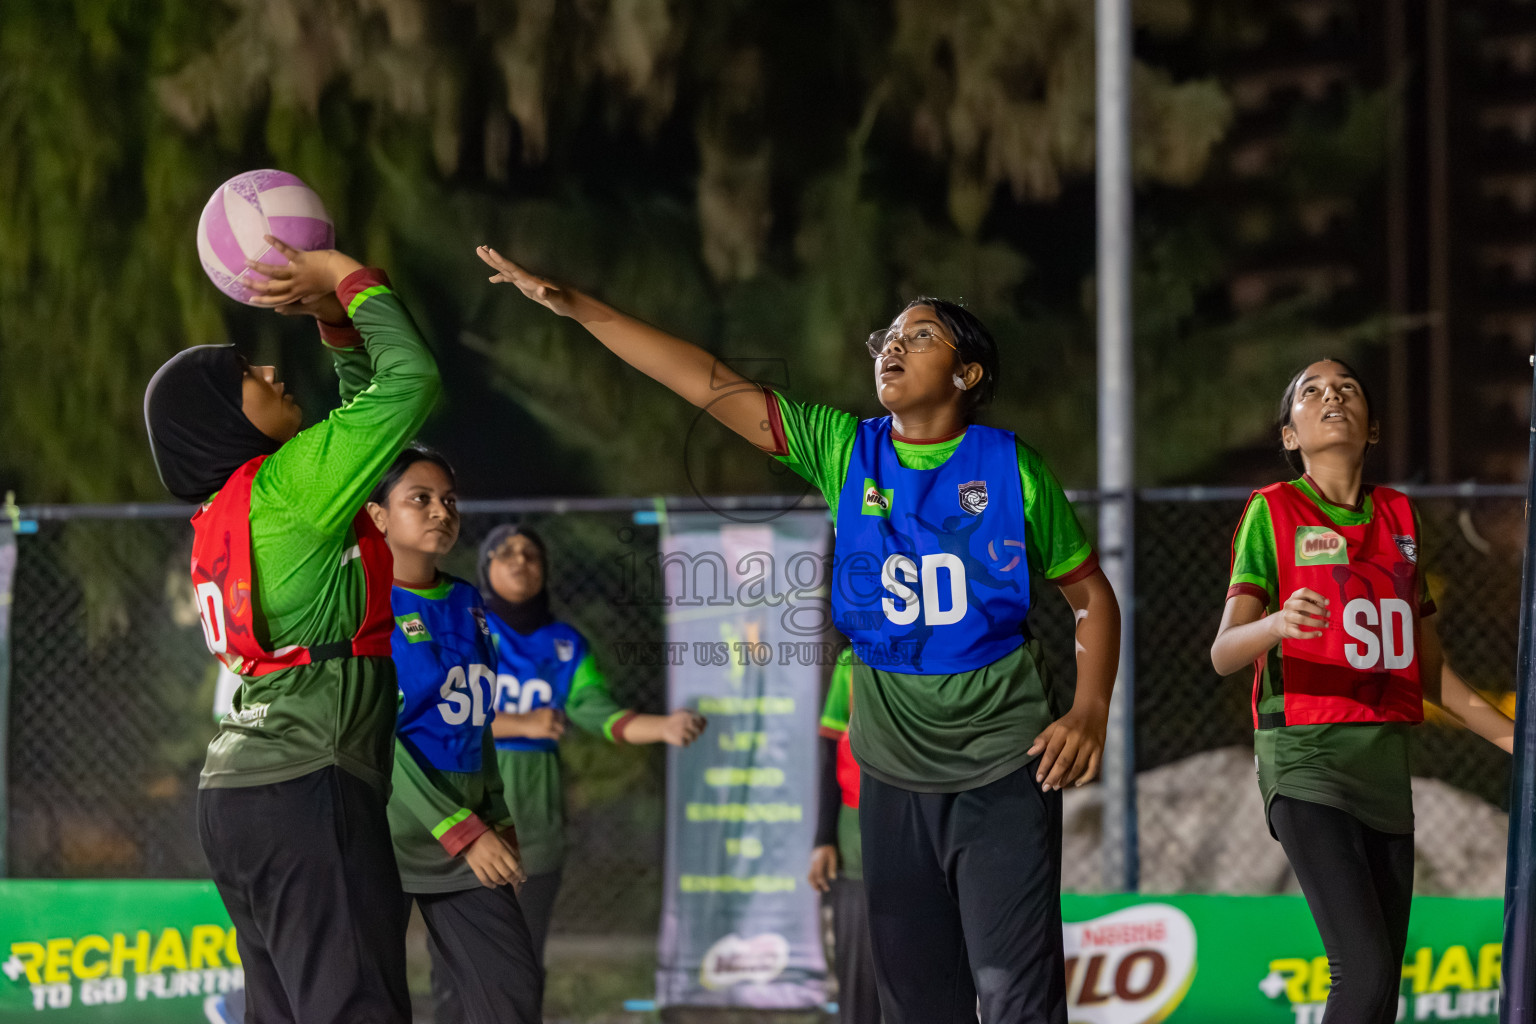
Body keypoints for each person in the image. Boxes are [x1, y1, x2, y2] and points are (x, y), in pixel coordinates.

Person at [474, 245, 1121, 1024]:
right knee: (917, 995)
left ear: (968, 374)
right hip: (890, 759)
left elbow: (1089, 595)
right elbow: (706, 381)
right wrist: (579, 305)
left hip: (1003, 755)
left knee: (1015, 989)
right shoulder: (847, 448)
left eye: (920, 337)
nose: (893, 346)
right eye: (888, 335)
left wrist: (1088, 711)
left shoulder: (1011, 467)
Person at [145, 237, 439, 1023]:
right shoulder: (289, 488)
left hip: (241, 796)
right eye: (247, 375)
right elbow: (411, 383)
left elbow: (360, 435)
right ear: (220, 418)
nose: (271, 372)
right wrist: (347, 277)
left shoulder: (232, 507)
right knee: (355, 1010)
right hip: (308, 784)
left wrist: (339, 331)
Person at [1210, 359, 1515, 1024]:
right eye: (1311, 392)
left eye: (1346, 389)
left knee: (1379, 994)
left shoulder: (1399, 515)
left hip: (1384, 769)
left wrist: (1515, 740)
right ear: (1289, 435)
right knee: (1364, 969)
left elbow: (1430, 673)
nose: (1332, 397)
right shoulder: (1273, 511)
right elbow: (1224, 653)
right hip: (1306, 760)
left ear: (1371, 427)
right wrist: (1275, 623)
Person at [479, 523, 707, 970]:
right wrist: (522, 723)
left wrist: (663, 727)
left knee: (524, 960)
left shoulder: (565, 645)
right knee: (467, 964)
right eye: (506, 553)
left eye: (531, 553)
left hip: (536, 827)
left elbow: (599, 712)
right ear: (485, 569)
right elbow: (434, 717)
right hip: (476, 823)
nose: (521, 560)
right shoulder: (466, 633)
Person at [366, 447, 542, 1024]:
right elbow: (378, 737)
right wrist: (462, 831)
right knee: (370, 1003)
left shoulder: (468, 601)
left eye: (449, 500)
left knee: (511, 991)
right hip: (386, 833)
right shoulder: (363, 606)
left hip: (467, 834)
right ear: (378, 516)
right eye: (420, 498)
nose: (441, 510)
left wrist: (499, 819)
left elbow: (477, 722)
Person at [809, 647, 879, 1024]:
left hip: (933, 831)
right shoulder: (853, 659)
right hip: (858, 837)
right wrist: (823, 837)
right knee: (861, 980)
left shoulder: (957, 644)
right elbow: (832, 746)